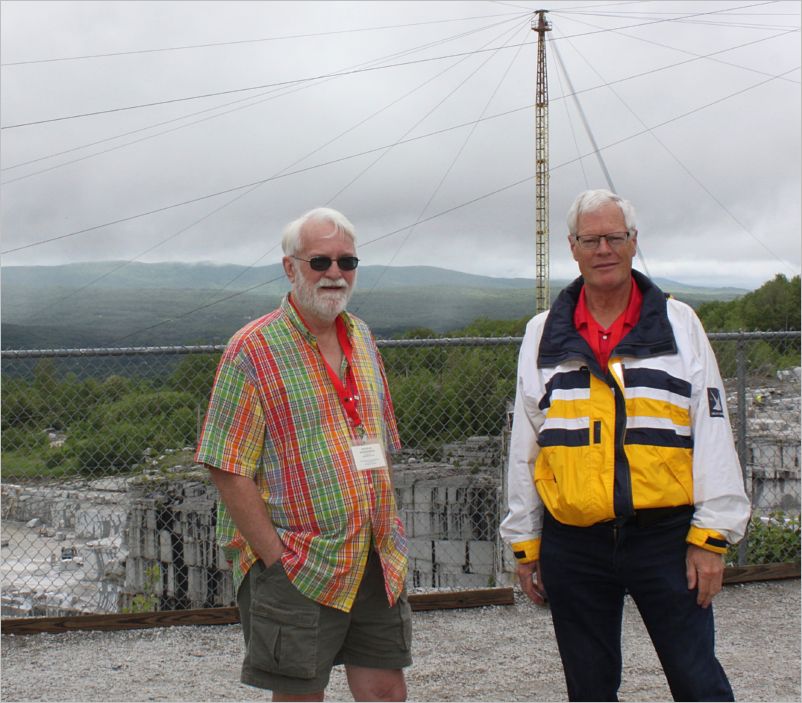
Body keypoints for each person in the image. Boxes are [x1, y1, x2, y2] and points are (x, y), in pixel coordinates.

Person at [500, 189, 751, 702]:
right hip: (574, 543)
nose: (604, 249)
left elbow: (712, 429)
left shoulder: (680, 325)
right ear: (572, 247)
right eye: (591, 239)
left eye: (615, 237)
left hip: (666, 538)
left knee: (698, 681)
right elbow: (526, 445)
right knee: (589, 690)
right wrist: (526, 544)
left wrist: (712, 538)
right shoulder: (542, 333)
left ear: (634, 243)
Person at [195, 207, 411, 702]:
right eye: (320, 261)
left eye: (347, 261)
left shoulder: (362, 338)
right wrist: (275, 557)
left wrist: (389, 529)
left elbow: (378, 439)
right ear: (290, 267)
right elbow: (226, 465)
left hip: (373, 555)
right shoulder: (252, 349)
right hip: (299, 559)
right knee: (299, 696)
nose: (335, 273)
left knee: (386, 690)